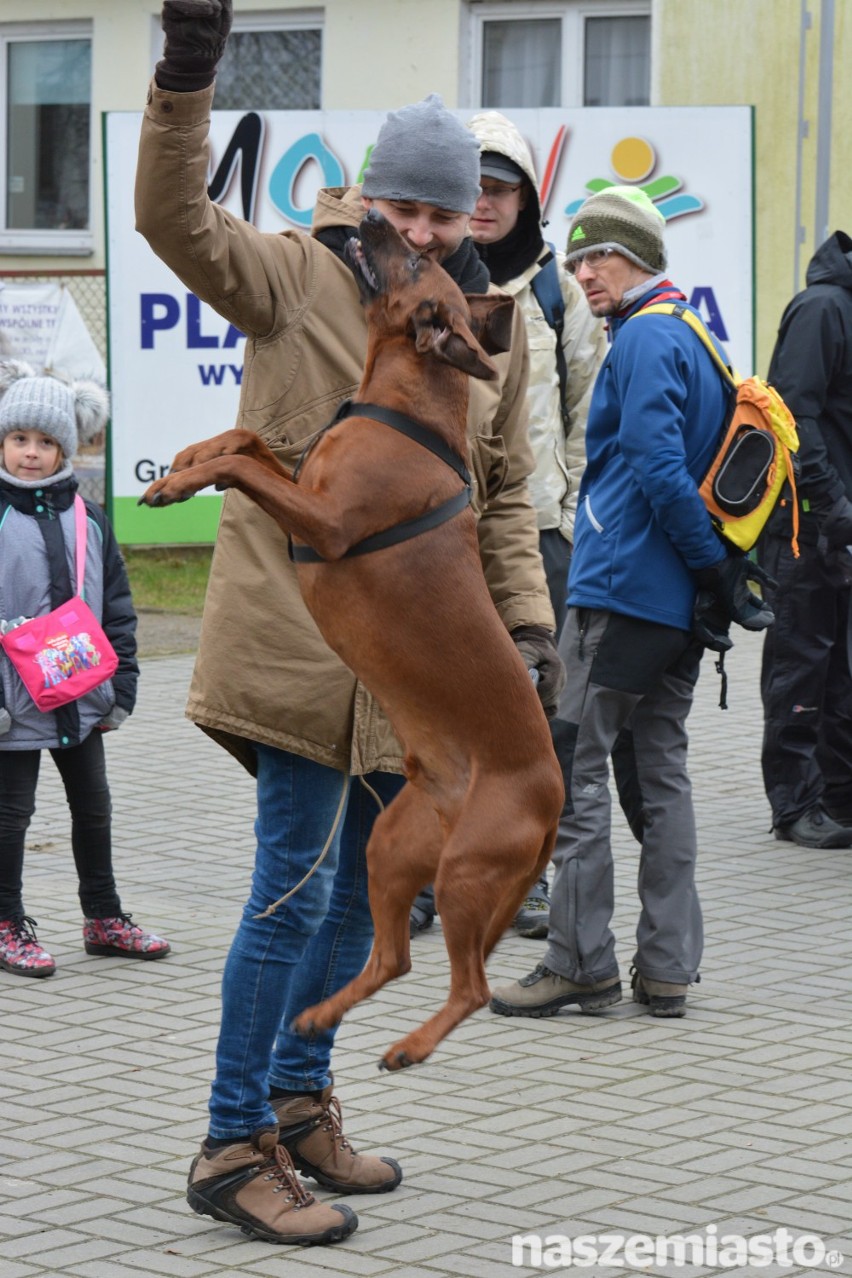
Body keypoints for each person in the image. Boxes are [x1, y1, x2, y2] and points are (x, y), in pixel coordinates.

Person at [135, 0, 563, 1248]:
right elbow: (174, 219)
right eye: (413, 207)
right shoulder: (300, 273)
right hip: (299, 650)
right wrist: (187, 77)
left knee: (346, 909)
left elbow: (501, 492)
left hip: (416, 686)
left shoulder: (490, 326)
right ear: (373, 196)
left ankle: (301, 1105)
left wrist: (527, 629)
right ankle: (230, 1144)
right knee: (289, 894)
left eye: (453, 209)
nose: (430, 229)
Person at [489, 186, 774, 1022]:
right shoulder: (693, 335)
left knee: (572, 773)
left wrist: (708, 565)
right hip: (676, 605)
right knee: (662, 773)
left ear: (643, 256)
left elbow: (653, 462)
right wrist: (713, 577)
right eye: (576, 258)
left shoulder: (646, 338)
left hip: (620, 595)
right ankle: (668, 970)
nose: (584, 271)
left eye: (600, 255)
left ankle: (580, 962)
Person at [408, 109, 607, 940]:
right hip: (434, 541)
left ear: (526, 200)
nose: (482, 204)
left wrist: (571, 522)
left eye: (498, 189)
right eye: (469, 189)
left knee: (530, 720)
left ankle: (523, 878)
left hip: (536, 538)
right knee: (436, 715)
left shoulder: (557, 295)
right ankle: (426, 873)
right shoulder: (423, 278)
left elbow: (591, 422)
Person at [0, 362, 170, 977]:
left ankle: (104, 918)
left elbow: (116, 608)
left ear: (69, 447)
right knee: (11, 815)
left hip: (79, 696)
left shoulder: (90, 519)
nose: (32, 453)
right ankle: (6, 922)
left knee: (93, 806)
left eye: (47, 442)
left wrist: (121, 687)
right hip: (9, 708)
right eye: (20, 439)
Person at [757, 230, 852, 849]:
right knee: (801, 661)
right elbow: (791, 410)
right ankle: (794, 804)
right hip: (807, 522)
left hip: (838, 522)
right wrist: (831, 501)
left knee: (837, 668)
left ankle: (837, 794)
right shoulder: (824, 308)